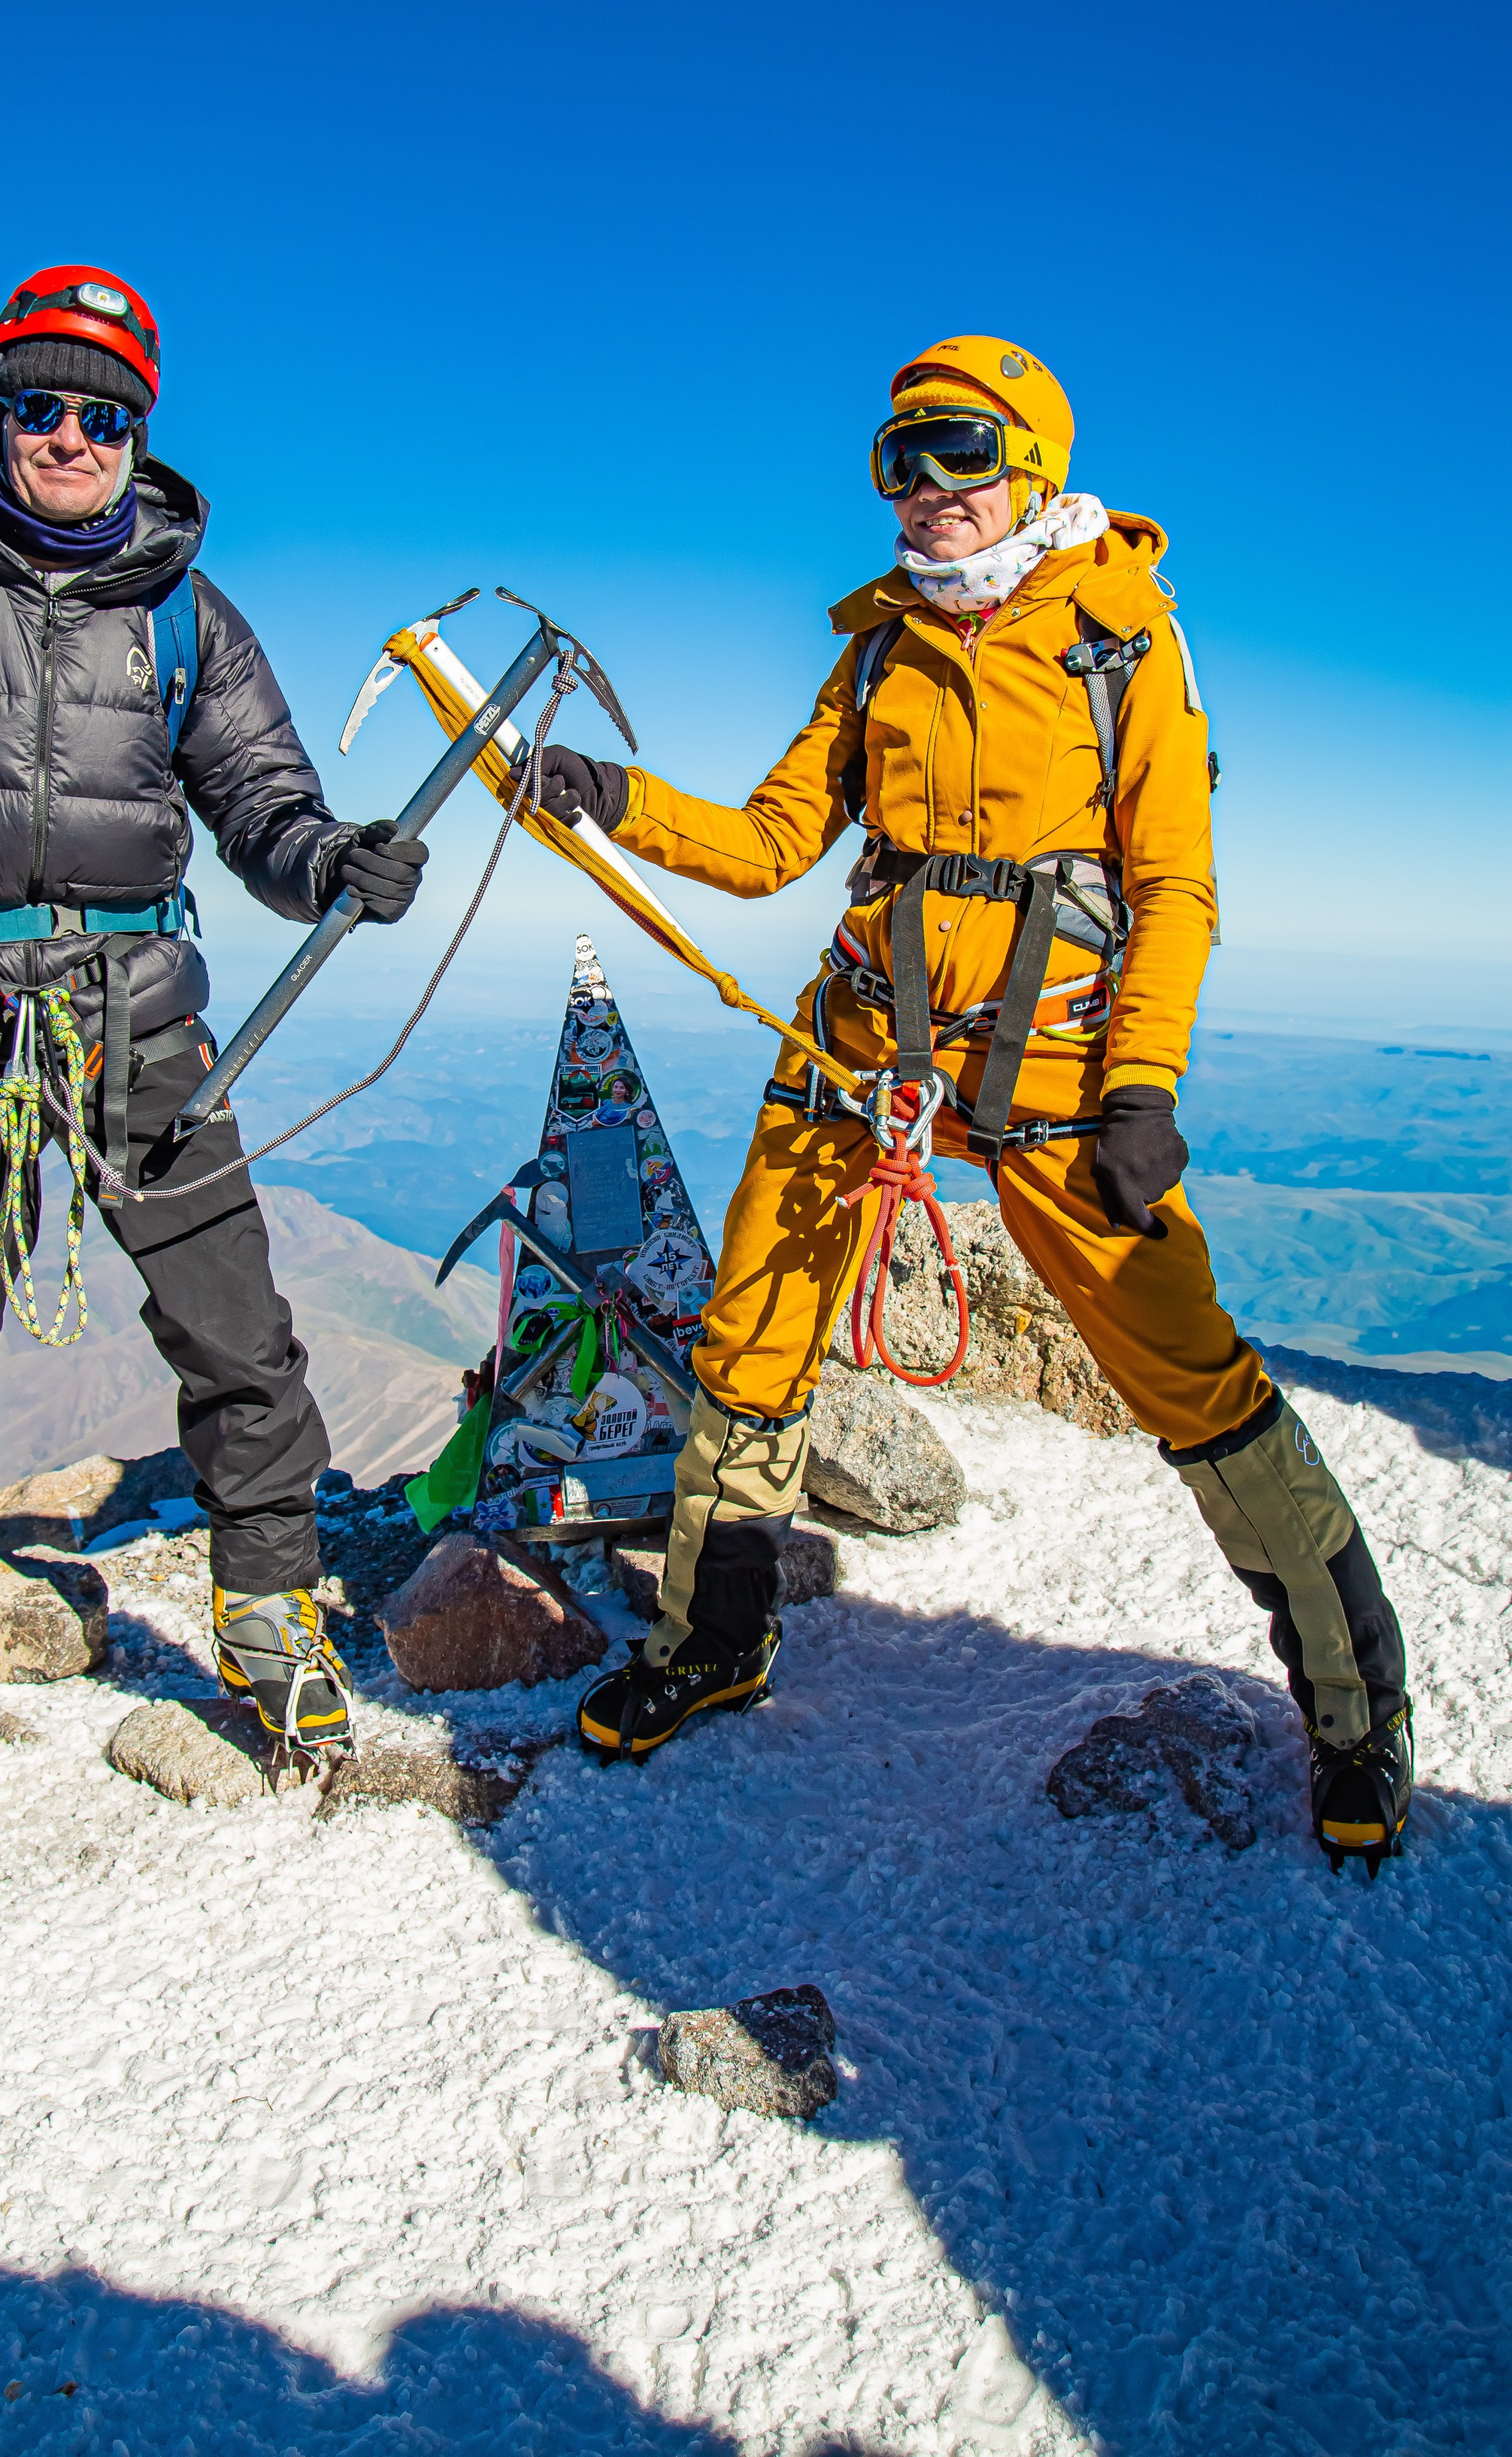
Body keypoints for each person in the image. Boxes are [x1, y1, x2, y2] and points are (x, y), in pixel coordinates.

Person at [539, 335, 1411, 1871]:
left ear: (1030, 465)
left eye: (956, 452)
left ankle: (1354, 1713)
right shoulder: (875, 647)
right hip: (857, 1054)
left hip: (1063, 1068)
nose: (926, 490)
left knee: (1188, 1372)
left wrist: (1141, 1083)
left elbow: (1172, 886)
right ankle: (712, 1639)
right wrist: (612, 799)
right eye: (899, 460)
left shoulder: (1121, 636)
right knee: (750, 1339)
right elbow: (765, 844)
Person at [0, 266, 429, 1868]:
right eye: (38, 404)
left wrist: (331, 865)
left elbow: (260, 800)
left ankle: (269, 1613)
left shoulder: (186, 611)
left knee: (236, 1326)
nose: (68, 436)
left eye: (100, 414)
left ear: (137, 432)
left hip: (135, 1014)